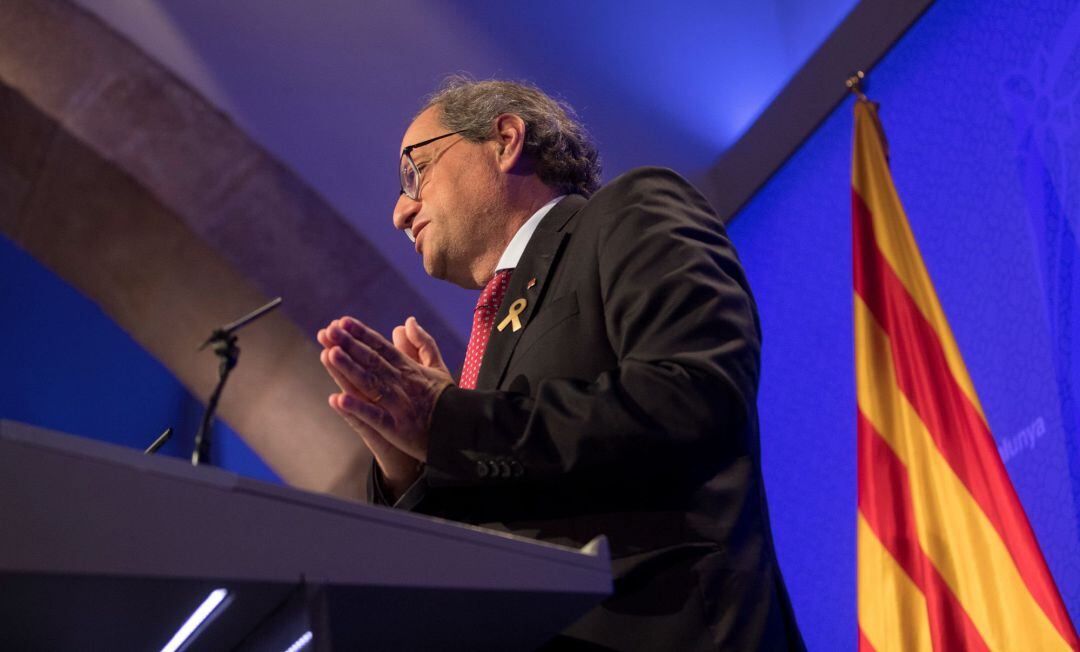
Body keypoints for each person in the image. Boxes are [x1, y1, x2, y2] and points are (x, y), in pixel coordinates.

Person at [315, 78, 804, 651]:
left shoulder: (630, 213)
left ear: (505, 139)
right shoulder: (488, 341)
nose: (400, 211)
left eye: (414, 171)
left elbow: (692, 395)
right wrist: (412, 470)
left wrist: (448, 422)